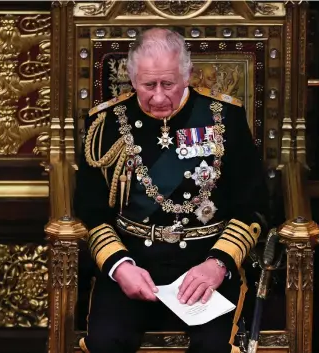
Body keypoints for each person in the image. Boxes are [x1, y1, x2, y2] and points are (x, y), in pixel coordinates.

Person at [74, 28, 269, 353]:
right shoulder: (105, 124)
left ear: (188, 75)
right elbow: (91, 209)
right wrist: (119, 266)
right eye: (149, 85)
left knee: (214, 348)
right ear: (132, 77)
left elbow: (254, 206)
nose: (160, 97)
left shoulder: (225, 118)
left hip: (204, 260)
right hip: (132, 260)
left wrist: (217, 264)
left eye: (169, 84)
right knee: (106, 343)